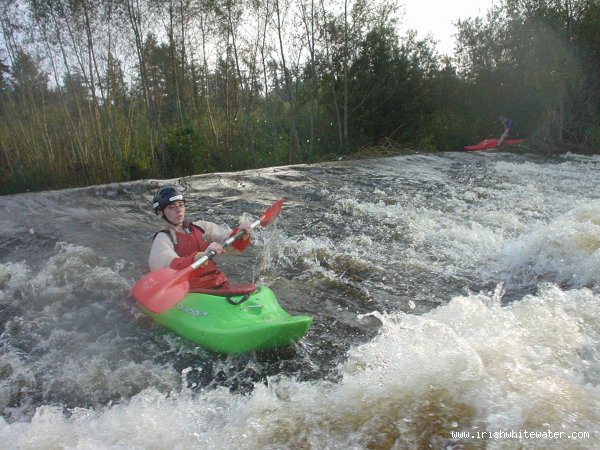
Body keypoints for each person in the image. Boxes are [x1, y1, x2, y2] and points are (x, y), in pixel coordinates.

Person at [148, 185, 252, 290]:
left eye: (181, 205)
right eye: (171, 207)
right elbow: (168, 268)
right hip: (189, 289)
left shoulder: (201, 227)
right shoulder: (162, 238)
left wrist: (241, 234)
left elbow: (231, 244)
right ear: (160, 212)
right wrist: (198, 257)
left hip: (215, 282)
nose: (178, 210)